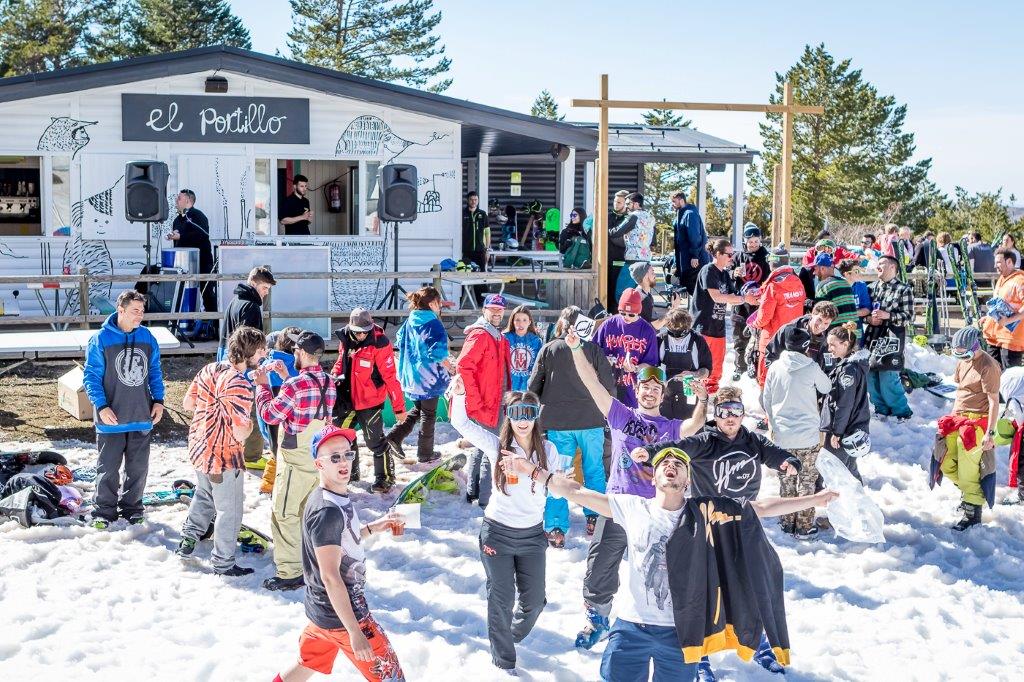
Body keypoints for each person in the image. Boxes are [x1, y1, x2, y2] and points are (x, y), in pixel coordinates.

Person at [534, 449, 836, 682]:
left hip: (681, 634)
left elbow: (761, 508)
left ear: (687, 480)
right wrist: (532, 471)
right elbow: (576, 492)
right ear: (653, 478)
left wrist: (814, 500)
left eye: (679, 463)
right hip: (630, 627)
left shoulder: (704, 512)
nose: (671, 465)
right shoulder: (632, 507)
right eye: (664, 462)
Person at [560, 324, 708, 650]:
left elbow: (695, 424)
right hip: (618, 504)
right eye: (645, 387)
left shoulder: (670, 427)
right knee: (600, 564)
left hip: (654, 511)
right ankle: (597, 618)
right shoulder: (620, 414)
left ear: (662, 395)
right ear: (636, 390)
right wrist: (575, 349)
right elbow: (591, 382)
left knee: (663, 571)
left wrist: (702, 399)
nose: (650, 392)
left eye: (656, 388)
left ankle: (671, 624)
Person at [273, 426, 406, 682]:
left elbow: (339, 542)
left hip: (321, 614)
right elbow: (331, 576)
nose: (344, 462)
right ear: (319, 464)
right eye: (334, 457)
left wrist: (372, 528)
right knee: (391, 677)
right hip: (344, 617)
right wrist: (354, 632)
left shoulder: (329, 495)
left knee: (305, 665)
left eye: (348, 454)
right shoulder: (328, 511)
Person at [449, 378, 557, 676]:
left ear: (537, 414)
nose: (522, 421)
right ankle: (504, 664)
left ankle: (507, 636)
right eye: (516, 413)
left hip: (532, 535)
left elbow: (556, 490)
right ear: (508, 415)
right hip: (497, 533)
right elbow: (462, 423)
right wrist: (460, 394)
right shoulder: (497, 447)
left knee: (534, 602)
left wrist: (556, 480)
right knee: (501, 599)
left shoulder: (549, 450)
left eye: (528, 413)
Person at [176, 326, 267, 575]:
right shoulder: (240, 384)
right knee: (230, 509)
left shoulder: (210, 368)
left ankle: (188, 540)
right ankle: (223, 563)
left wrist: (212, 410)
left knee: (204, 495)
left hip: (199, 445)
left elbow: (188, 403)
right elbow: (240, 431)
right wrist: (250, 426)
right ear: (249, 353)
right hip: (224, 456)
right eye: (261, 350)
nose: (264, 354)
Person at [528, 306, 616, 547]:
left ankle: (556, 526)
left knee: (559, 473)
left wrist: (542, 403)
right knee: (594, 470)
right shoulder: (593, 349)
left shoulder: (549, 349)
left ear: (561, 323)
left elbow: (533, 386)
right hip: (591, 419)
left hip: (559, 422)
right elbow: (608, 384)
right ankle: (595, 518)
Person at [257, 330, 337, 591]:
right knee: (305, 514)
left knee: (284, 514)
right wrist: (285, 378)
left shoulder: (295, 386)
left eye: (295, 351)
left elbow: (270, 415)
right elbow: (306, 398)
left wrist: (263, 386)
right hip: (316, 458)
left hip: (294, 460)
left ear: (302, 352)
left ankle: (290, 572)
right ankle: (307, 563)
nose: (293, 354)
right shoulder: (328, 381)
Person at [83, 289, 165, 529]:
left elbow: (155, 372)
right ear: (120, 310)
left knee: (138, 468)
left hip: (141, 415)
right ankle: (104, 511)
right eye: (135, 311)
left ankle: (133, 508)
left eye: (142, 311)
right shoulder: (100, 339)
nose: (140, 315)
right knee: (108, 468)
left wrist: (159, 400)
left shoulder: (147, 337)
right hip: (111, 417)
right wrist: (101, 406)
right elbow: (91, 377)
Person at [763, 328, 833, 539]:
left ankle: (786, 522)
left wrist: (773, 424)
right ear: (805, 346)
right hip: (808, 436)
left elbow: (766, 399)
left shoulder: (775, 367)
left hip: (782, 436)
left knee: (787, 481)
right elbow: (826, 387)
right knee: (807, 481)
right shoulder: (811, 367)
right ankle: (804, 526)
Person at [930, 326, 1001, 531]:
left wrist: (990, 433)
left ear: (976, 346)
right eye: (957, 353)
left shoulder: (988, 366)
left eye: (964, 353)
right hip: (958, 419)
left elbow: (994, 401)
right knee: (945, 461)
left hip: (977, 423)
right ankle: (972, 494)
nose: (961, 357)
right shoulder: (963, 362)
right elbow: (961, 391)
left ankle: (972, 513)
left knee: (969, 469)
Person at [331, 308, 406, 492]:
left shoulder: (380, 343)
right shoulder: (345, 338)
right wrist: (334, 376)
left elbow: (390, 377)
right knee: (342, 436)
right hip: (346, 397)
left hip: (370, 401)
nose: (362, 335)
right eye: (358, 332)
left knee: (374, 441)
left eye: (365, 331)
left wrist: (399, 408)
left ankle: (385, 478)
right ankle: (352, 472)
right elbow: (341, 361)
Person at [385, 287, 453, 465]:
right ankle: (425, 453)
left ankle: (394, 437)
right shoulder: (433, 323)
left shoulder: (410, 320)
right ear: (432, 303)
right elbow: (438, 353)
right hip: (428, 378)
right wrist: (451, 368)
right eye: (439, 303)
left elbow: (399, 340)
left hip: (411, 375)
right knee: (428, 415)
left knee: (418, 410)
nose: (440, 307)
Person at [219, 266, 277, 466]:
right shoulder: (251, 306)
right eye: (264, 288)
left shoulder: (234, 301)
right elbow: (249, 341)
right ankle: (252, 455)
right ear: (253, 283)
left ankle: (232, 446)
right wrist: (258, 360)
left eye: (268, 289)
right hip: (244, 360)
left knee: (230, 404)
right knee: (251, 403)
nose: (266, 293)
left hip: (226, 356)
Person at [457, 294, 512, 509]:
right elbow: (464, 366)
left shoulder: (497, 335)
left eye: (500, 310)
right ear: (484, 310)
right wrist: (475, 400)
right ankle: (487, 500)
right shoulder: (480, 334)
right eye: (492, 309)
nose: (497, 313)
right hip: (487, 403)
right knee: (494, 448)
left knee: (481, 446)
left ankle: (473, 492)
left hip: (497, 401)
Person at [690, 238, 758, 394]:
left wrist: (751, 294)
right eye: (729, 254)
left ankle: (711, 397)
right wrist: (743, 298)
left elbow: (733, 297)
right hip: (703, 326)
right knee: (701, 367)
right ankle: (696, 397)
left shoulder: (725, 274)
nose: (732, 258)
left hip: (718, 327)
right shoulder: (708, 270)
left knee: (716, 369)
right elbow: (717, 297)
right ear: (718, 254)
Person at [864, 255, 914, 421]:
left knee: (888, 377)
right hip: (872, 335)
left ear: (893, 267)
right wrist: (869, 319)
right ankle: (881, 410)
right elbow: (863, 312)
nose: (877, 266)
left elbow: (909, 317)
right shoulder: (870, 288)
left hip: (891, 337)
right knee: (871, 376)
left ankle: (902, 412)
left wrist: (888, 316)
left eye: (881, 263)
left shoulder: (903, 289)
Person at [821, 323, 871, 482]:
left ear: (845, 344)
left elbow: (845, 404)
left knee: (839, 471)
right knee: (848, 469)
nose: (829, 349)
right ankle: (858, 495)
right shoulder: (849, 365)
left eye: (833, 345)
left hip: (846, 430)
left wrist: (837, 433)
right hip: (851, 427)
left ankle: (852, 496)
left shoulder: (848, 370)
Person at [593, 288, 659, 407]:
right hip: (607, 386)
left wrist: (635, 368)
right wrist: (604, 360)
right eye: (622, 313)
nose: (626, 317)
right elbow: (593, 351)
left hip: (632, 390)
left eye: (631, 314)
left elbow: (651, 365)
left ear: (638, 312)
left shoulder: (648, 331)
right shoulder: (608, 324)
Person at [258, 328, 301, 494]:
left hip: (270, 420)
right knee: (288, 458)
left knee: (275, 452)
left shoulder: (267, 364)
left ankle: (267, 486)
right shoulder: (296, 367)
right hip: (291, 423)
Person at [750, 262, 806, 387]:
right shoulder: (798, 282)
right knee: (788, 376)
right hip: (793, 336)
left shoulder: (773, 285)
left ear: (772, 265)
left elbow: (764, 317)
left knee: (766, 377)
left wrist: (754, 324)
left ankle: (765, 397)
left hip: (772, 338)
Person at [167, 189, 216, 315]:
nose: (176, 201)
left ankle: (214, 322)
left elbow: (202, 235)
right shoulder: (177, 220)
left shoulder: (198, 216)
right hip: (183, 264)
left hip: (202, 261)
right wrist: (173, 235)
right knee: (182, 292)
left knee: (207, 292)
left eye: (179, 198)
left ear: (188, 200)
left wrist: (180, 236)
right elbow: (179, 239)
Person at [731, 224, 771, 381]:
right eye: (750, 241)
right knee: (739, 338)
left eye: (756, 241)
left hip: (759, 305)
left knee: (758, 339)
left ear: (760, 241)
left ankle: (755, 366)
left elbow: (770, 277)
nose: (753, 244)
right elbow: (726, 274)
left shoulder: (766, 256)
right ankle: (739, 367)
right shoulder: (738, 257)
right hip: (740, 305)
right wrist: (733, 273)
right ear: (745, 241)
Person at [657, 308, 712, 420]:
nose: (676, 336)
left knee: (689, 425)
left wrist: (694, 374)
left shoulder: (698, 340)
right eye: (673, 332)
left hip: (690, 392)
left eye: (680, 333)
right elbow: (651, 367)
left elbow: (707, 370)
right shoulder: (660, 339)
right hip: (665, 392)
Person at [764, 301, 839, 376]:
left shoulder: (829, 341)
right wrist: (779, 376)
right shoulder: (789, 330)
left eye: (826, 323)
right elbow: (771, 355)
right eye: (819, 320)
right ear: (813, 314)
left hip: (812, 381)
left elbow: (830, 368)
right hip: (787, 378)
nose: (820, 326)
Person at [980, 248, 1024, 369]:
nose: (995, 266)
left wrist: (1008, 320)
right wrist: (989, 317)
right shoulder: (1002, 278)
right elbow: (999, 303)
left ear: (1009, 262)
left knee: (1010, 377)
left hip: (1011, 340)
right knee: (992, 374)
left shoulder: (1020, 281)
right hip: (994, 337)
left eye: (998, 262)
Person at [609, 192, 655, 300]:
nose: (626, 207)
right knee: (642, 292)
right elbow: (653, 239)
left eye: (628, 204)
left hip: (633, 260)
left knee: (621, 293)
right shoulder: (650, 217)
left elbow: (616, 232)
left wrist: (604, 230)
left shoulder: (633, 216)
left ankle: (624, 311)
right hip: (646, 260)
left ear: (636, 204)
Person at [671, 189, 709, 295]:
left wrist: (695, 255)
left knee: (696, 292)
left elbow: (695, 236)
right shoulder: (681, 214)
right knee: (690, 289)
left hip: (694, 261)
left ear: (681, 200)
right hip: (685, 260)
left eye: (674, 201)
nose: (672, 204)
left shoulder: (690, 214)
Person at [813, 253, 861, 337]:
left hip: (838, 336)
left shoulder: (823, 286)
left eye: (815, 269)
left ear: (822, 268)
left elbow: (820, 314)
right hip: (855, 333)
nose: (814, 272)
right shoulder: (845, 282)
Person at [503, 305, 543, 392]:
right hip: (509, 388)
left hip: (529, 389)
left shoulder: (536, 341)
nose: (521, 324)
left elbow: (539, 367)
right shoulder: (505, 339)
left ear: (529, 322)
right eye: (517, 320)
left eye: (524, 320)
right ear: (512, 321)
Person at [461, 191, 490, 300]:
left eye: (475, 200)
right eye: (471, 199)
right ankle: (461, 299)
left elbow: (487, 233)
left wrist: (487, 250)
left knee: (481, 276)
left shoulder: (482, 214)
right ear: (467, 200)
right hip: (466, 251)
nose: (473, 202)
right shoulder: (462, 214)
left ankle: (481, 300)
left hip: (480, 251)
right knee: (463, 274)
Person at [607, 189, 631, 313]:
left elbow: (622, 239)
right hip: (606, 260)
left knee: (619, 290)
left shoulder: (629, 218)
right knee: (607, 289)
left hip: (621, 260)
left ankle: (618, 314)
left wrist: (612, 235)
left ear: (626, 204)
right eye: (615, 202)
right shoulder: (609, 216)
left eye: (619, 202)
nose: (616, 204)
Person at [836, 260, 872, 341]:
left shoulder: (862, 285)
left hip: (857, 327)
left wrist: (849, 313)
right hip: (839, 328)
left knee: (858, 346)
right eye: (856, 271)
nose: (860, 273)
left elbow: (867, 309)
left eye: (860, 270)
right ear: (846, 274)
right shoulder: (836, 286)